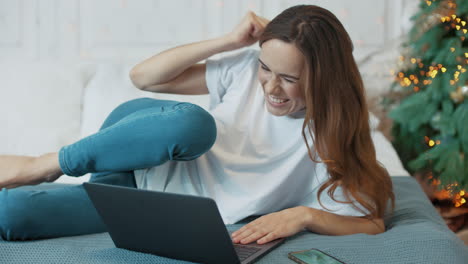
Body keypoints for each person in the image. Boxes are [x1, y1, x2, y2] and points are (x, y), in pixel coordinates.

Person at [0, 5, 394, 244]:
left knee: (12, 216)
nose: (271, 87)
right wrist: (228, 41)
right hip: (144, 149)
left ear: (325, 79)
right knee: (194, 125)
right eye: (265, 68)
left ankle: (56, 177)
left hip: (146, 204)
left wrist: (305, 215)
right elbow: (144, 78)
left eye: (289, 79)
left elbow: (372, 223)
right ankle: (45, 164)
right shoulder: (242, 69)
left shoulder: (330, 143)